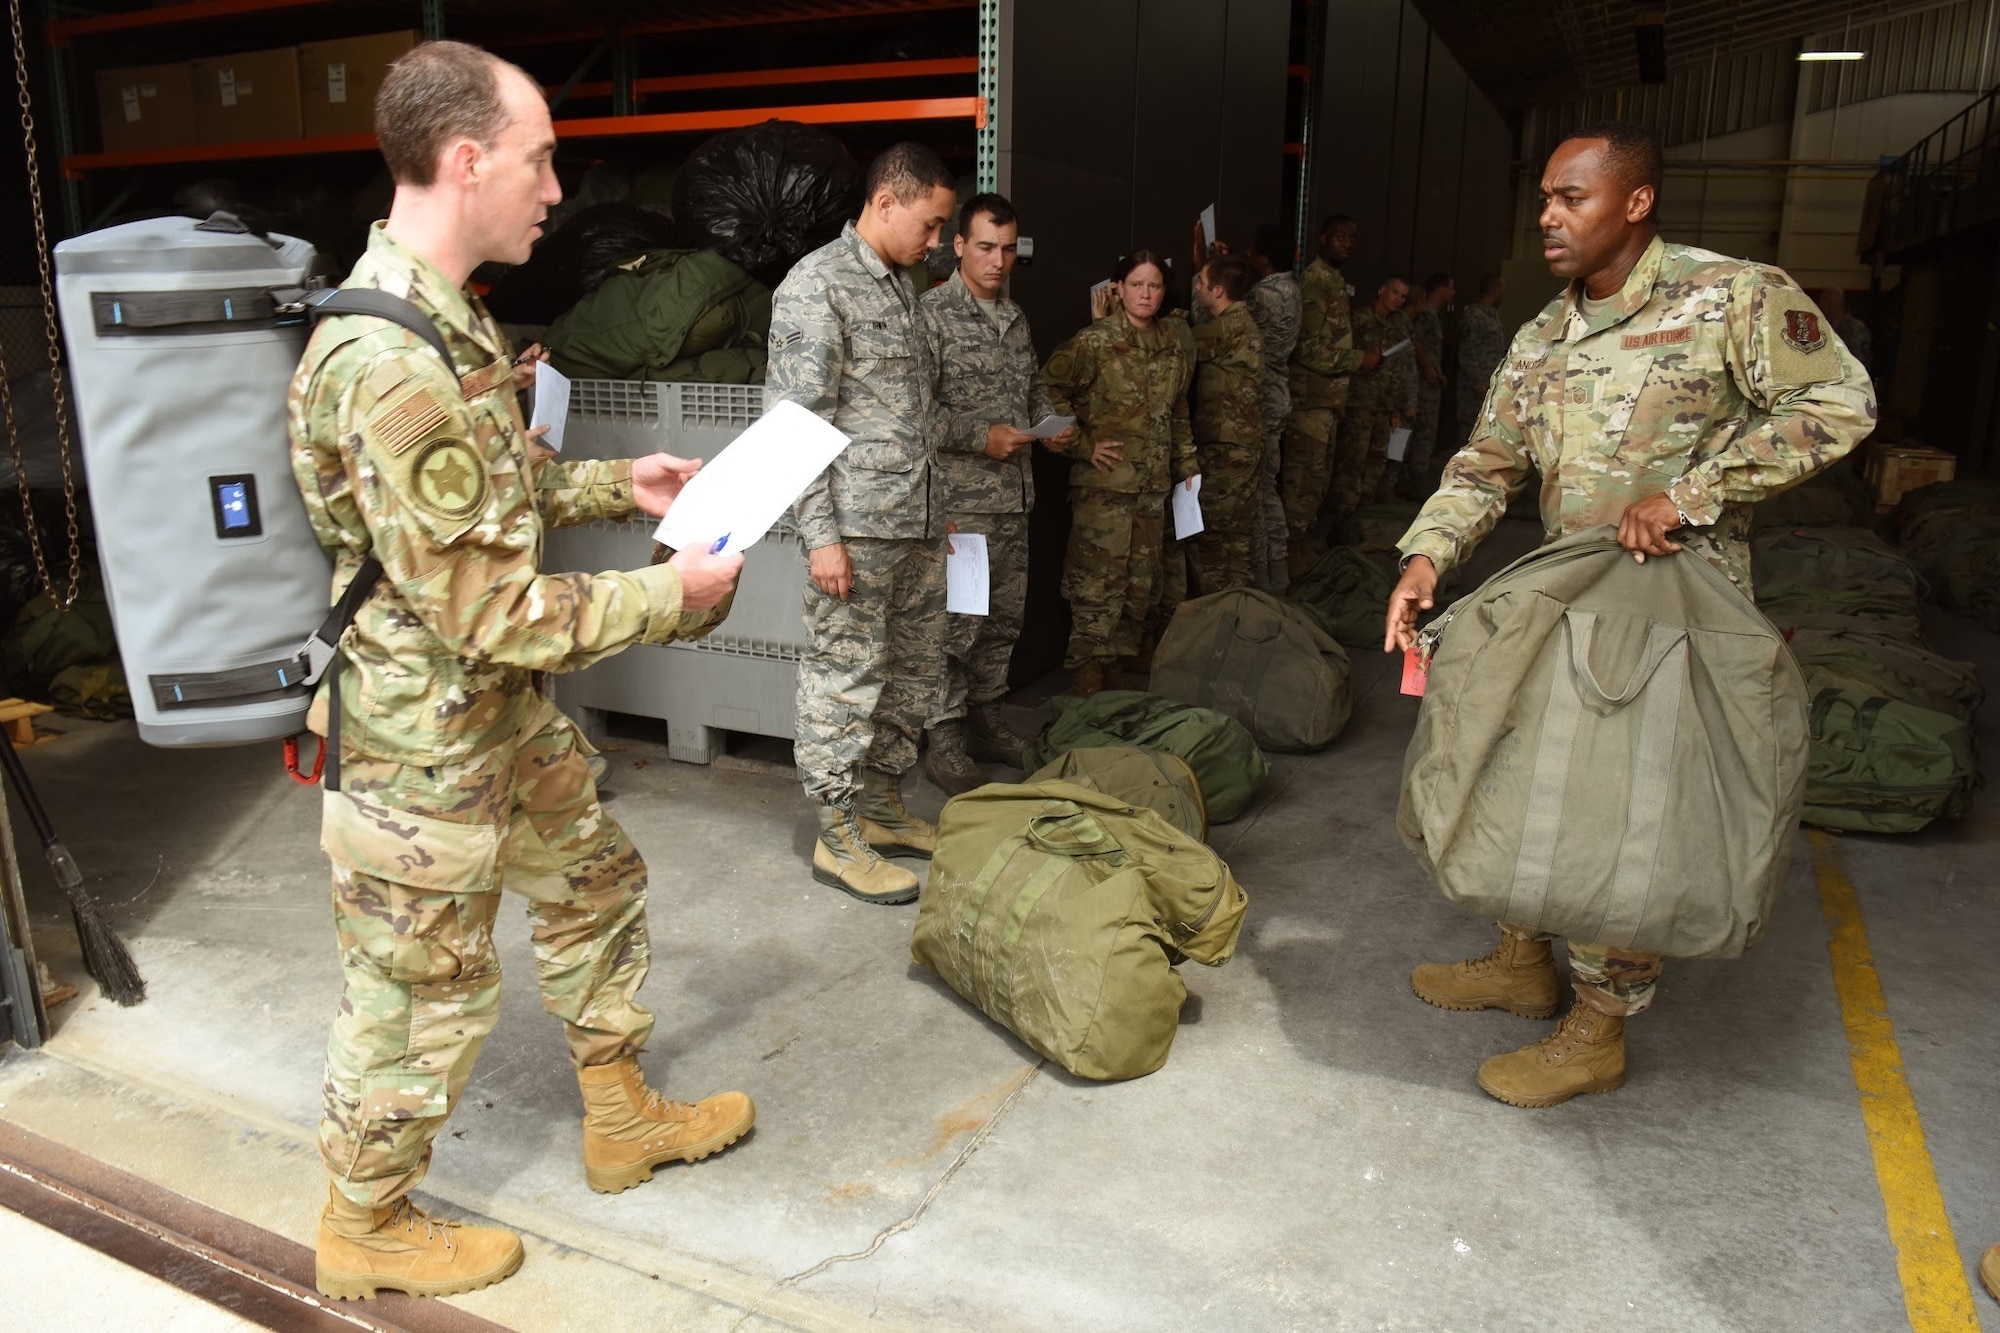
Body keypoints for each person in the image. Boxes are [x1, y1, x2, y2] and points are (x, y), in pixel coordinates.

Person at [289, 41, 753, 1301]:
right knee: (418, 991)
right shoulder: (387, 360)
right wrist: (674, 592)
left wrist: (619, 480)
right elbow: (485, 604)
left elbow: (492, 498)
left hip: (493, 718)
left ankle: (618, 1117)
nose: (557, 189)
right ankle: (363, 1222)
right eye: (543, 159)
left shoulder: (449, 322)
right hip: (423, 744)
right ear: (466, 159)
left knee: (594, 884)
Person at [1385, 120, 1875, 1109]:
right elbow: (1486, 466)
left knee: (1624, 816)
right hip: (1560, 598)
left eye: (1570, 198)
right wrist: (1426, 553)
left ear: (1635, 202)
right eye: (1544, 200)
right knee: (1526, 776)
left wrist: (1692, 494)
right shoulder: (1542, 333)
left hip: (1668, 614)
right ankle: (1523, 960)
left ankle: (1596, 1028)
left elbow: (1837, 402)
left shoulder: (1727, 295)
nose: (1547, 217)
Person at [769, 142, 958, 906]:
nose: (938, 241)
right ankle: (836, 831)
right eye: (934, 223)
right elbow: (792, 423)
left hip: (911, 523)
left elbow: (911, 411)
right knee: (844, 679)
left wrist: (931, 507)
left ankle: (880, 807)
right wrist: (821, 536)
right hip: (853, 531)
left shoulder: (903, 289)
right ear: (887, 202)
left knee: (910, 676)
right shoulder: (817, 286)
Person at [918, 192, 1074, 795]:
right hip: (960, 507)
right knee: (959, 623)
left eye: (1008, 249)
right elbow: (917, 416)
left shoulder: (1014, 317)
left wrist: (1050, 426)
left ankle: (987, 722)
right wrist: (983, 437)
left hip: (1013, 500)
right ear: (958, 246)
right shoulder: (930, 317)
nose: (997, 260)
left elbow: (1032, 387)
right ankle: (947, 738)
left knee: (1002, 622)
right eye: (985, 247)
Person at [1043, 250, 1197, 696]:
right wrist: (1083, 445)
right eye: (1136, 284)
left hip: (1152, 488)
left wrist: (1187, 464)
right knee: (1097, 580)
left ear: (1164, 291)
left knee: (1141, 579)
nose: (1146, 294)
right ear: (1118, 288)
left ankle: (1119, 662)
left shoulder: (1171, 344)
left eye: (1154, 286)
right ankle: (1089, 669)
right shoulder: (1095, 341)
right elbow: (1046, 390)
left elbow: (1178, 409)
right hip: (1105, 488)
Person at [1282, 213, 1378, 576]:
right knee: (1302, 482)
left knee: (1317, 482)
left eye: (1351, 238)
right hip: (1309, 403)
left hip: (1327, 403)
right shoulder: (1314, 283)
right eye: (1339, 237)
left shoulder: (1334, 282)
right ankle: (1292, 555)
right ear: (1322, 239)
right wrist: (1356, 360)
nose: (1346, 243)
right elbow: (1306, 349)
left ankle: (1303, 547)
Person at [1187, 252, 1265, 592]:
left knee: (1213, 533)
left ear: (1218, 291)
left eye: (1201, 284)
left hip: (1226, 446)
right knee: (1237, 536)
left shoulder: (1228, 327)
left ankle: (1219, 608)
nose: (1198, 289)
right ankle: (1238, 607)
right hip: (1240, 443)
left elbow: (1183, 345)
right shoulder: (1240, 322)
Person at [1243, 225, 1303, 590]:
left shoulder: (1262, 295)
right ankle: (1278, 570)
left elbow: (1218, 322)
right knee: (1268, 488)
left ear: (1263, 258)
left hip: (1260, 398)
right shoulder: (1292, 290)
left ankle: (1266, 576)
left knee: (1258, 490)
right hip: (1278, 392)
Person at [1338, 274, 1410, 516]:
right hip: (1360, 403)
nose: (1398, 299)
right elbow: (1343, 358)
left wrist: (1395, 410)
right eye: (1394, 292)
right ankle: (1344, 515)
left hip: (1383, 407)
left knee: (1376, 461)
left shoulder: (1395, 327)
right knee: (1353, 462)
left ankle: (1362, 512)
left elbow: (1396, 370)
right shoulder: (1359, 319)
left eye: (1403, 296)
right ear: (1382, 290)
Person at [1401, 272, 1454, 499]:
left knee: (1422, 433)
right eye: (1451, 288)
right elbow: (1417, 345)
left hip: (1426, 383)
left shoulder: (1432, 316)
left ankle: (1412, 481)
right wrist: (1429, 370)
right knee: (1417, 433)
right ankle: (1409, 483)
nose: (1453, 294)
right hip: (1419, 385)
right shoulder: (1425, 316)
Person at [1456, 273, 1507, 448]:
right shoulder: (1475, 314)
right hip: (1475, 388)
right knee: (1469, 433)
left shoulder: (1491, 313)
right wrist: (1477, 382)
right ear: (1495, 289)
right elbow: (1468, 351)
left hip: (1489, 384)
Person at [1815, 286, 1873, 374]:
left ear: (1833, 304)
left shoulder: (1855, 328)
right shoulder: (1824, 327)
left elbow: (1856, 361)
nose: (1820, 307)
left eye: (1824, 303)